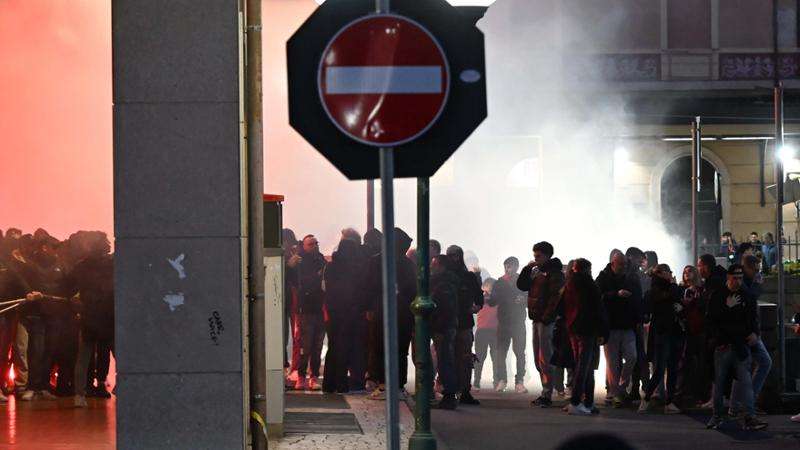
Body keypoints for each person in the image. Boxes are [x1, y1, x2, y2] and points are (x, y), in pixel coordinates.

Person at [705, 264, 768, 431]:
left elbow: (753, 318)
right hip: (725, 344)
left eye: (740, 278)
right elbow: (711, 319)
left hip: (740, 344)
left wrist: (754, 333)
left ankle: (748, 416)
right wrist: (728, 309)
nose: (738, 281)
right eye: (735, 278)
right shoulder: (719, 295)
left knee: (744, 382)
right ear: (728, 277)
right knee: (720, 383)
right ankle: (718, 415)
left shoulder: (745, 295)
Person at [63, 232, 114, 407]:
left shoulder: (82, 266)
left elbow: (67, 287)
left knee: (83, 358)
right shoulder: (112, 264)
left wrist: (75, 304)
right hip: (109, 316)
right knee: (118, 354)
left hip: (89, 317)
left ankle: (79, 395)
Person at [366, 228, 417, 400]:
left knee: (380, 348)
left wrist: (369, 308)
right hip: (403, 313)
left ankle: (382, 385)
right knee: (401, 350)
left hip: (381, 310)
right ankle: (398, 386)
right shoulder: (408, 264)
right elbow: (413, 290)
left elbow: (369, 287)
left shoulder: (375, 262)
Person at [518, 241, 565, 408]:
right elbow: (522, 286)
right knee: (538, 358)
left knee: (545, 357)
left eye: (538, 256)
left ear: (547, 255)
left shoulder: (555, 274)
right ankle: (546, 391)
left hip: (546, 321)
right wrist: (526, 269)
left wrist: (547, 317)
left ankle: (547, 393)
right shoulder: (537, 272)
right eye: (534, 256)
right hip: (536, 319)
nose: (536, 259)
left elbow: (555, 297)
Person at [561, 258, 608, 415]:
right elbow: (598, 309)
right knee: (586, 366)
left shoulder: (568, 284)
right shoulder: (589, 285)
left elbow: (562, 307)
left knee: (581, 365)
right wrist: (602, 331)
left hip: (573, 329)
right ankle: (579, 401)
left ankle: (586, 402)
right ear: (587, 269)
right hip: (588, 330)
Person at [596, 252, 641, 407]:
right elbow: (598, 297)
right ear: (613, 263)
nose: (623, 267)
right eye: (620, 264)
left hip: (627, 325)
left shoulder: (630, 278)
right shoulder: (603, 277)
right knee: (612, 363)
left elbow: (637, 298)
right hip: (611, 326)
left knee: (632, 357)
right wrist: (615, 294)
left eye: (624, 264)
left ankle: (619, 389)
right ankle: (617, 392)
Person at [639, 264, 684, 414]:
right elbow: (661, 300)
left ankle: (668, 401)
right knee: (661, 369)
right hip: (663, 331)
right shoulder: (656, 289)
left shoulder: (667, 288)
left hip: (672, 331)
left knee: (671, 368)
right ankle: (648, 398)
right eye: (668, 272)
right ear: (661, 273)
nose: (671, 274)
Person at [730, 254, 772, 417]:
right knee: (760, 363)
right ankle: (745, 404)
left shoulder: (745, 281)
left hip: (748, 332)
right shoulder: (745, 283)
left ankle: (740, 404)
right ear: (748, 267)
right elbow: (750, 300)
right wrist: (757, 284)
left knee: (742, 368)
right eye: (756, 269)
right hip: (747, 333)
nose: (757, 272)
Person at [322, 239, 364, 393]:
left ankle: (329, 383)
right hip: (349, 312)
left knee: (333, 347)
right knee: (346, 348)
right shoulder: (355, 267)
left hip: (333, 312)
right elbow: (357, 290)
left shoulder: (331, 266)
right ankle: (341, 383)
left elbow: (327, 289)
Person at [446, 245, 483, 405]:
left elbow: (478, 296)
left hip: (464, 322)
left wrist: (477, 306)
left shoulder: (468, 276)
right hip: (447, 322)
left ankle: (464, 391)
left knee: (465, 358)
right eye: (451, 256)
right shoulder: (444, 275)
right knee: (449, 357)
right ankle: (451, 390)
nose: (454, 259)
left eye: (456, 256)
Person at [488, 257, 527, 393]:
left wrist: (524, 299)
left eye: (510, 266)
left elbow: (529, 297)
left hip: (518, 322)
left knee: (520, 353)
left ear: (516, 267)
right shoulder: (499, 282)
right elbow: (493, 302)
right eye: (506, 266)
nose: (507, 269)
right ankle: (502, 380)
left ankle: (519, 381)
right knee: (500, 353)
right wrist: (489, 297)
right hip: (504, 322)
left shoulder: (523, 282)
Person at [294, 235, 326, 391]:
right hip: (306, 309)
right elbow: (302, 282)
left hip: (319, 308)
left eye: (316, 243)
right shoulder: (300, 261)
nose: (314, 246)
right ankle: (301, 376)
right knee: (305, 345)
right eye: (311, 244)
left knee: (317, 345)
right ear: (305, 246)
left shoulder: (321, 260)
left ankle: (313, 376)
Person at [430, 255, 460, 410]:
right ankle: (449, 394)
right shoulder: (447, 282)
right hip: (445, 326)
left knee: (445, 361)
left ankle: (449, 395)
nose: (432, 267)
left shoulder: (444, 284)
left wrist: (440, 327)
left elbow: (446, 309)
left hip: (444, 327)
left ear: (442, 266)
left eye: (434, 264)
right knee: (444, 360)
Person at [676, 265, 707, 406]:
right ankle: (683, 392)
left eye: (690, 271)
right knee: (685, 362)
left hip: (699, 329)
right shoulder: (682, 290)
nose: (687, 274)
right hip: (687, 329)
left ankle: (698, 393)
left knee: (700, 362)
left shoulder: (701, 290)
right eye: (685, 272)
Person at [473, 278, 499, 391]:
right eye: (488, 286)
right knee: (479, 358)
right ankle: (476, 382)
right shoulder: (480, 298)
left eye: (492, 286)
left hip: (495, 331)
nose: (490, 288)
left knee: (496, 358)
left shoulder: (497, 298)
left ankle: (496, 382)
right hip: (482, 330)